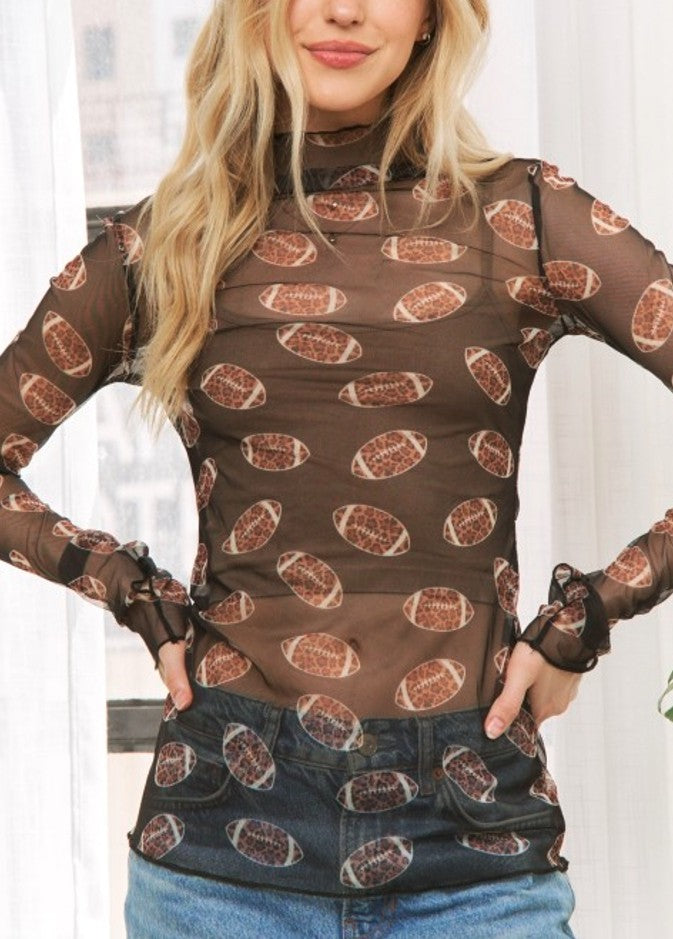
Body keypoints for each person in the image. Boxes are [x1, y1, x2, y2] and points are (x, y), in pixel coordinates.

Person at [2, 0, 672, 935]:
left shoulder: (521, 215)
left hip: (474, 847)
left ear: (432, 18)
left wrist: (586, 616)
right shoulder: (169, 239)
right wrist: (128, 588)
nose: (344, 9)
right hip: (218, 850)